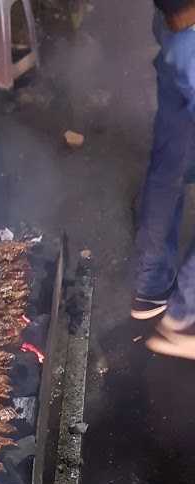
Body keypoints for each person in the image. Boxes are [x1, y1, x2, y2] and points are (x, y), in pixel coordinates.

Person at [134, 0, 195, 358]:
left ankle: (151, 285)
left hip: (177, 29)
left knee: (170, 161)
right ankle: (184, 318)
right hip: (188, 27)